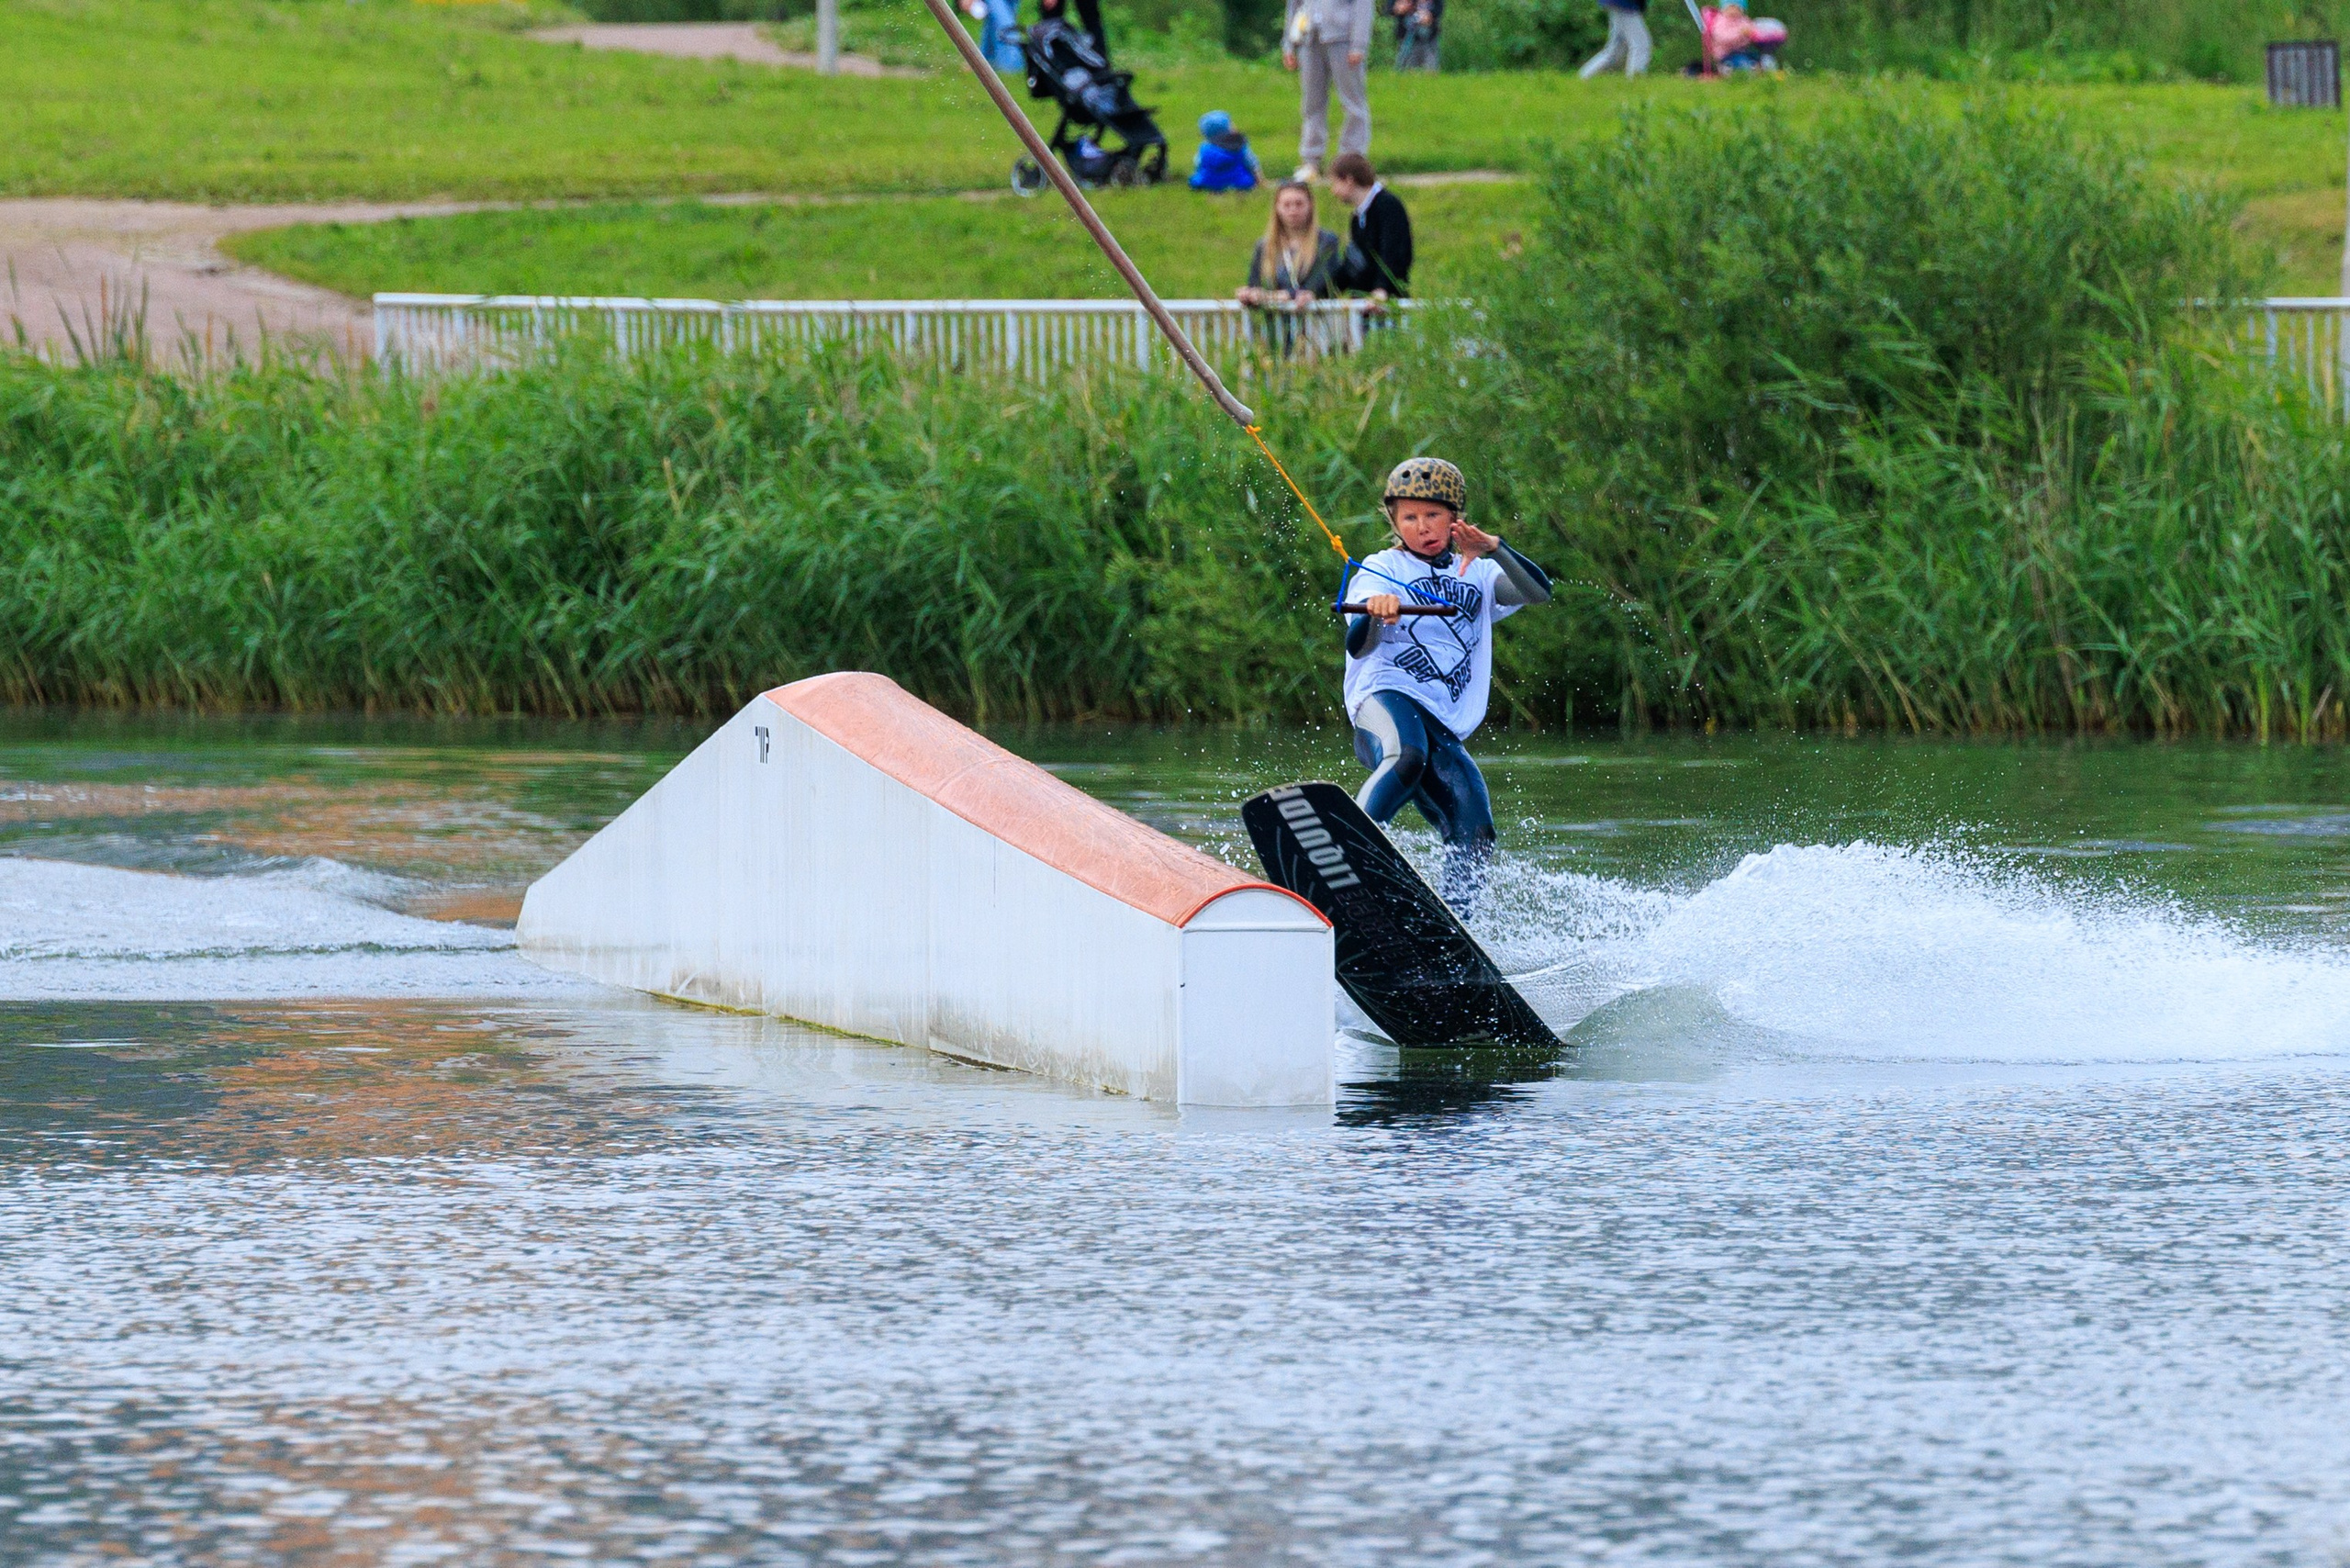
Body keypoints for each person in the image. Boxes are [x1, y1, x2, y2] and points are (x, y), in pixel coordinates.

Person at [1345, 458, 1553, 914]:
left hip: (1441, 720)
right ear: (1395, 522)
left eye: (1433, 515)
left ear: (1455, 516)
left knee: (1475, 823)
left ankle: (1455, 924)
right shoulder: (1382, 568)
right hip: (1383, 701)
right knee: (1409, 756)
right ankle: (1353, 855)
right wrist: (1375, 615)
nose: (1423, 527)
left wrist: (1496, 548)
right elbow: (1359, 647)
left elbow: (1538, 592)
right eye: (1410, 517)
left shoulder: (1477, 572)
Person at [1237, 180, 1340, 352]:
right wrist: (1249, 294)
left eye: (1299, 204)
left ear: (1310, 206)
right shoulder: (1264, 246)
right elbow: (1255, 283)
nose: (1293, 210)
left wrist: (1284, 296)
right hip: (1274, 329)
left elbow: (1321, 281)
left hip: (1315, 329)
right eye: (1287, 205)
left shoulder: (1326, 242)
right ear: (1277, 208)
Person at [1281, 0, 1373, 183]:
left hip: (1344, 38)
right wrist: (1289, 44)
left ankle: (1351, 160)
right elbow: (1294, 6)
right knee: (1311, 104)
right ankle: (1311, 161)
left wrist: (1359, 44)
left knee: (1352, 102)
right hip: (1308, 38)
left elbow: (1363, 6)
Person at [1326, 153, 1411, 306]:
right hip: (1365, 301)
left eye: (1335, 183)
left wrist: (1382, 289)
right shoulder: (1357, 217)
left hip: (1386, 302)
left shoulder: (1387, 206)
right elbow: (1355, 262)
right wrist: (1323, 292)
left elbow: (1394, 252)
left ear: (1349, 181)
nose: (1334, 191)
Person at [1189, 110, 1261, 192]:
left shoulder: (1205, 148)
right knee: (1245, 180)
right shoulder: (1239, 145)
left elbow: (1198, 163)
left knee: (1198, 178)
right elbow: (1252, 163)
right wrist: (1260, 181)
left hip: (1208, 181)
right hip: (1238, 181)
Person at [1579, 0, 1651, 77]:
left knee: (1615, 51)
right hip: (1624, 4)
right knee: (1640, 44)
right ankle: (1635, 80)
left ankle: (1584, 76)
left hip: (1621, 4)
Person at [1393, 0, 1441, 71]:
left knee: (1430, 68)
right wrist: (1400, 8)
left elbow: (1438, 11)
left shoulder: (1436, 4)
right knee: (1408, 68)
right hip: (1408, 38)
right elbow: (1393, 8)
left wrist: (1429, 16)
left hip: (1429, 38)